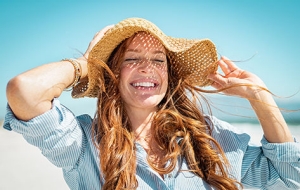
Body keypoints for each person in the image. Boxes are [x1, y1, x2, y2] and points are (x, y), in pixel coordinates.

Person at [4, 17, 300, 190]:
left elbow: (290, 179)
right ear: (113, 74)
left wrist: (260, 98)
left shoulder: (210, 138)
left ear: (169, 76)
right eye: (131, 59)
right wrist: (85, 63)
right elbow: (25, 91)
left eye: (158, 61)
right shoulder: (83, 144)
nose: (147, 68)